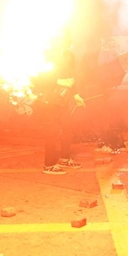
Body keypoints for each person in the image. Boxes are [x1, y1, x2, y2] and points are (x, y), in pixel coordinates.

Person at [32, 31, 86, 175]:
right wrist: (57, 81)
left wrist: (76, 94)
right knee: (52, 131)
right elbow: (36, 77)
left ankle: (64, 158)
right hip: (48, 99)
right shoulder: (48, 54)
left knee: (67, 129)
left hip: (63, 100)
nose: (69, 41)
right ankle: (49, 165)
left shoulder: (69, 55)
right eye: (66, 38)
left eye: (69, 38)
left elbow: (71, 77)